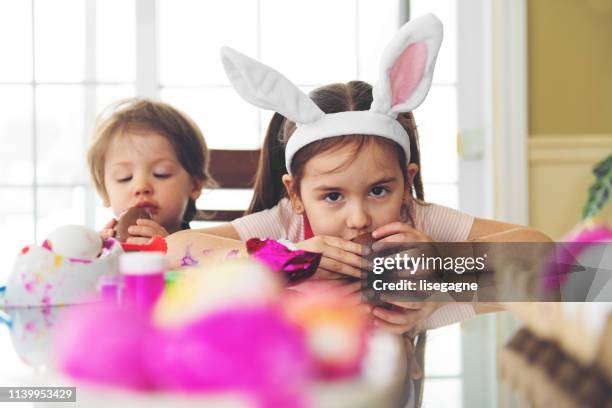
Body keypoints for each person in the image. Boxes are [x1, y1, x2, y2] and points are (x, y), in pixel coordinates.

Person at [166, 14, 550, 334]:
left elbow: (549, 259)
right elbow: (172, 250)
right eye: (332, 196)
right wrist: (287, 259)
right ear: (296, 195)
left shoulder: (418, 220)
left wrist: (440, 274)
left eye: (379, 191)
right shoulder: (287, 224)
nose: (359, 218)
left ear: (405, 182)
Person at [87, 98, 216, 244]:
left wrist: (173, 249)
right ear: (104, 192)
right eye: (125, 177)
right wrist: (96, 256)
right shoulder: (104, 251)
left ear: (194, 185)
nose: (141, 187)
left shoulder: (201, 251)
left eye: (161, 174)